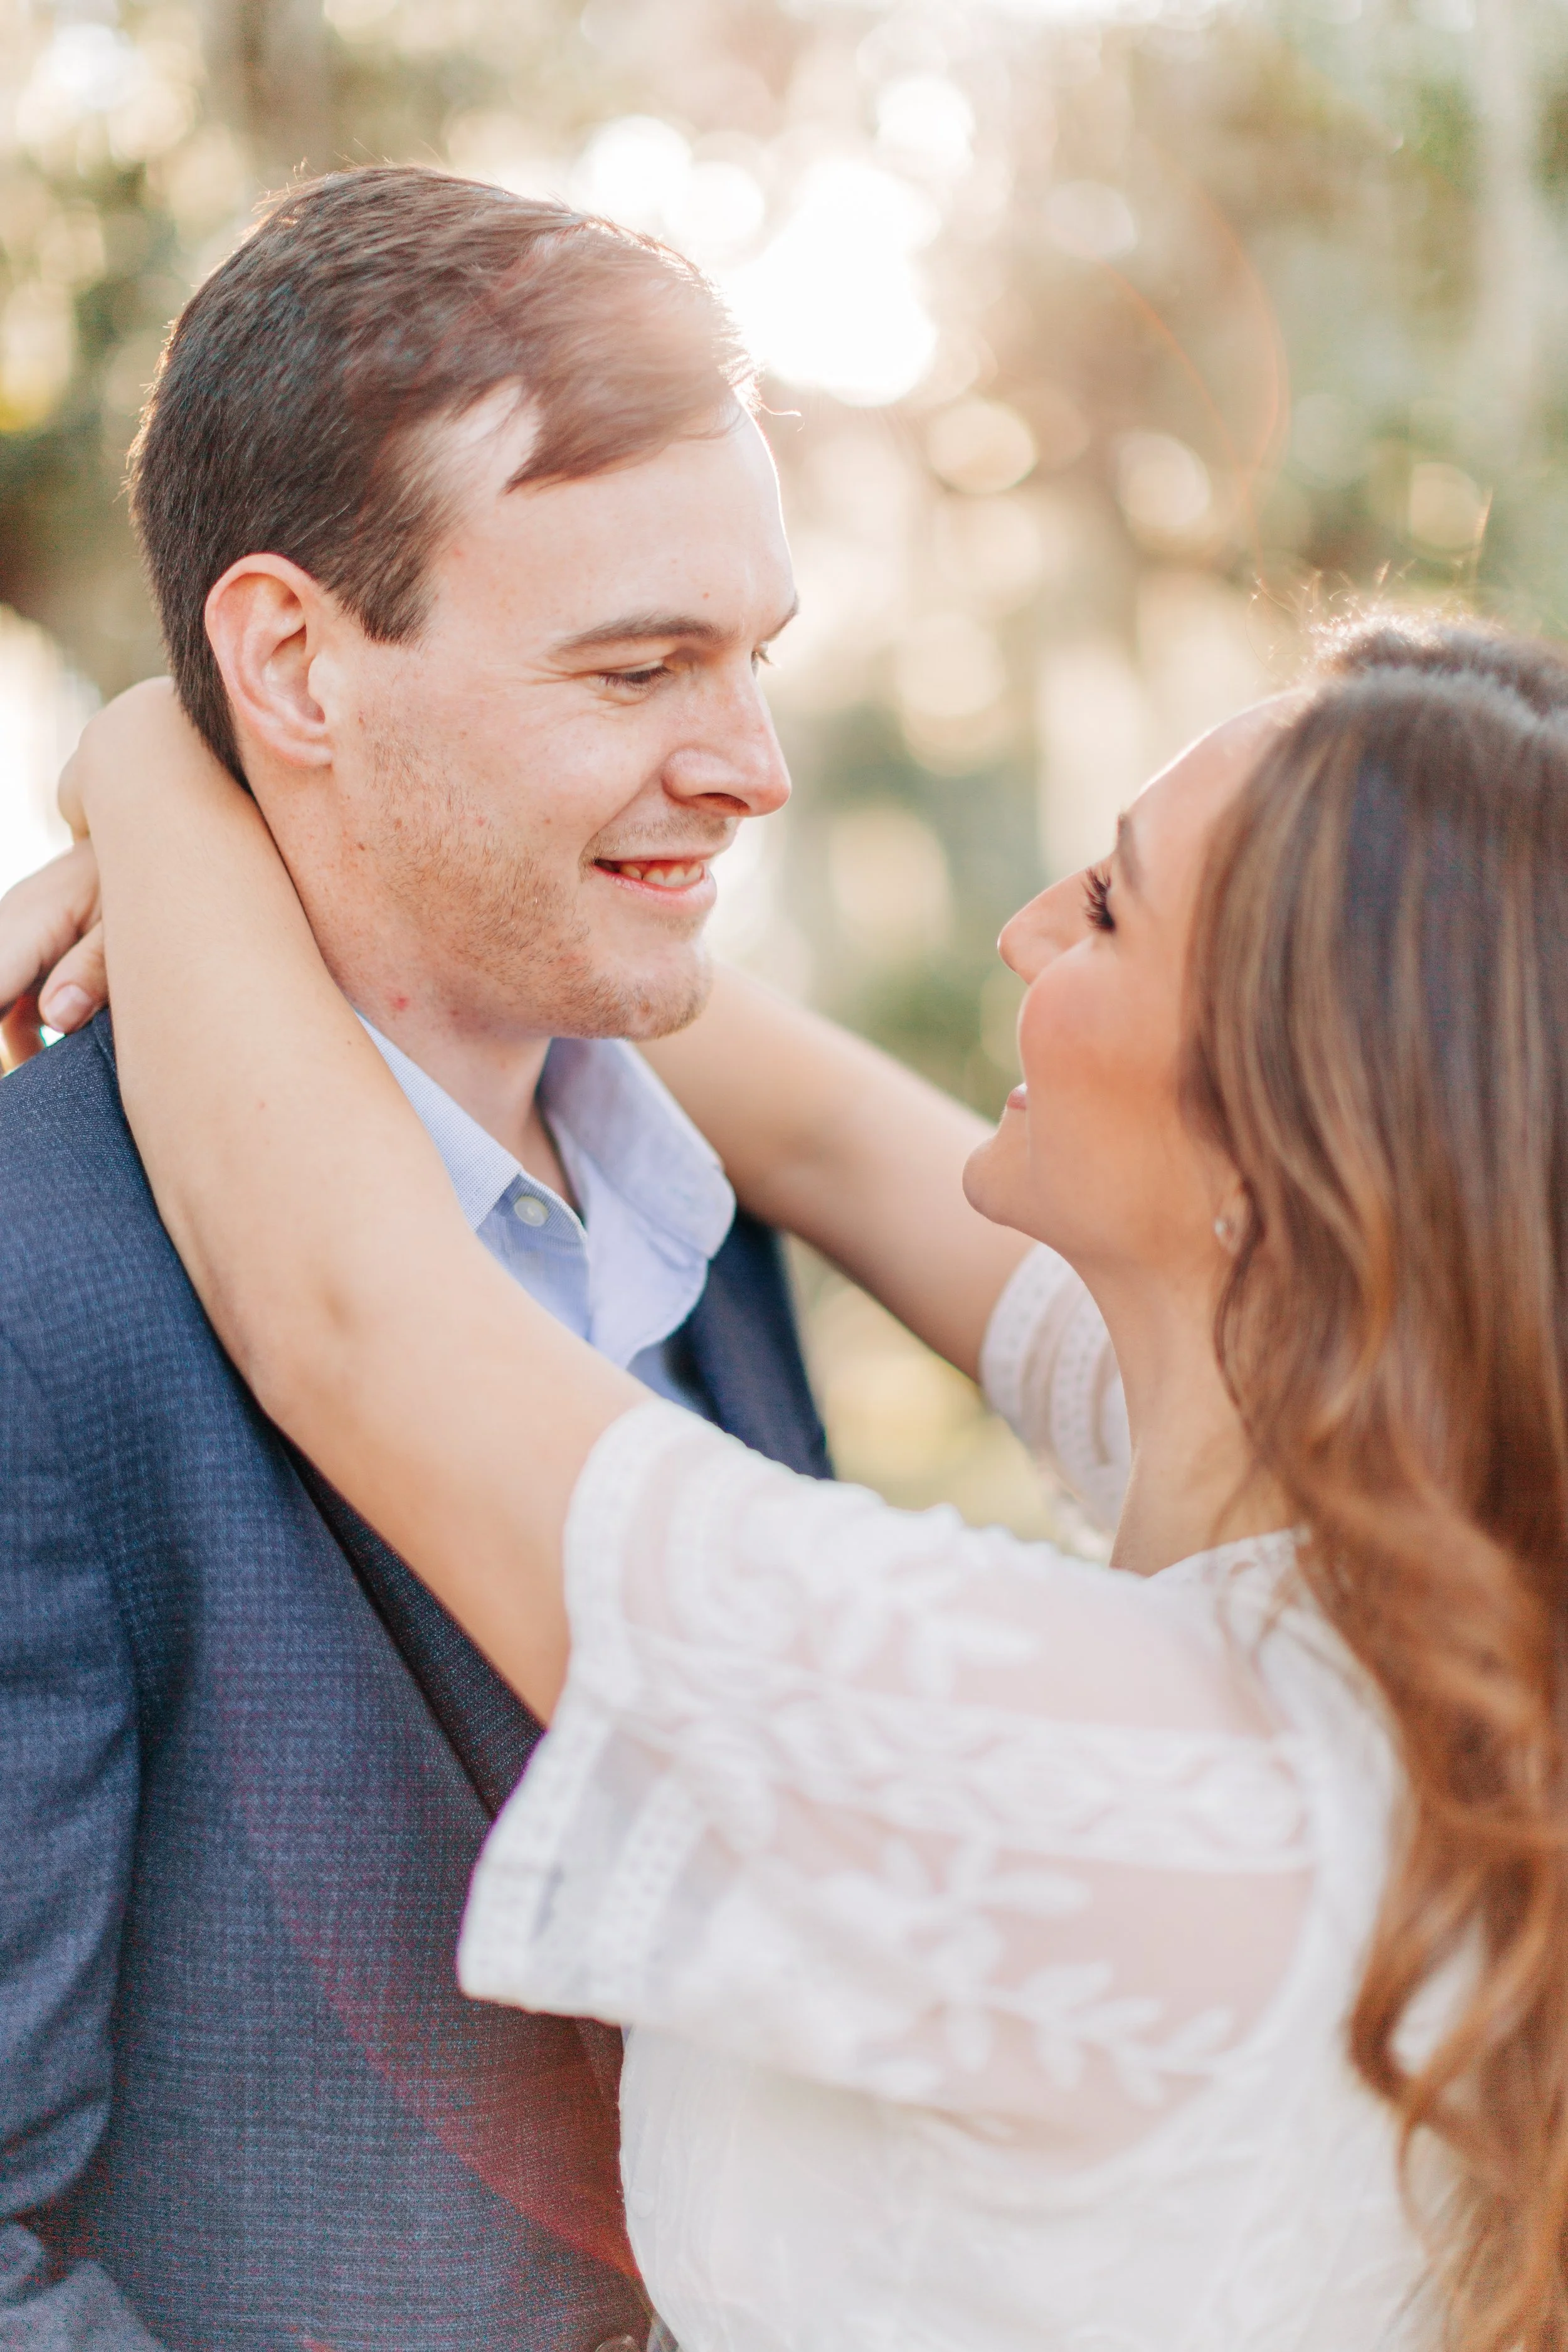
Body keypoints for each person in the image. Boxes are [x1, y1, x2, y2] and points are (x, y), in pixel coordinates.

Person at [25, 610, 1568, 2352]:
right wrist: (323, 807)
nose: (1022, 928)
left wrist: (157, 753)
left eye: (1110, 908)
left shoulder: (1125, 1785)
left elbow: (348, 1313)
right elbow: (830, 1137)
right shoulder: (1408, 1574)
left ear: (1281, 1143)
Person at [0, 165, 1053, 2352]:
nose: (749, 766)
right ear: (287, 656)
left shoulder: (724, 1213)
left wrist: (143, 767)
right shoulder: (34, 1298)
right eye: (639, 665)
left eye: (750, 658)